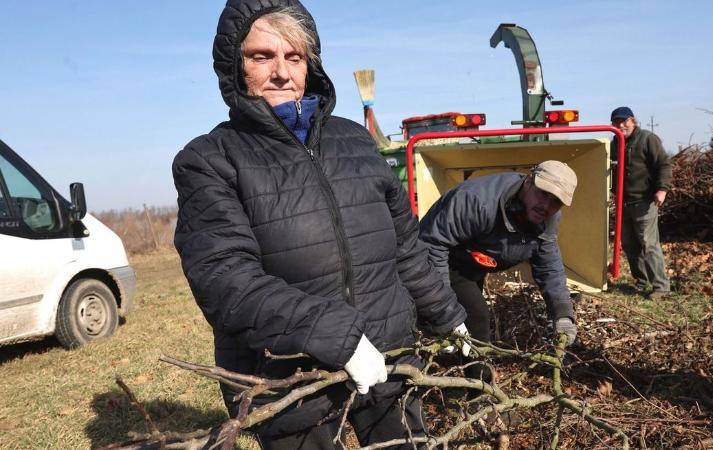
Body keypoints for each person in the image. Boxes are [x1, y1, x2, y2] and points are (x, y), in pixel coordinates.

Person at [172, 1, 467, 448]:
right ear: (235, 67)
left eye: (294, 57)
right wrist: (338, 338)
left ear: (311, 66)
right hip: (283, 374)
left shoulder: (355, 141)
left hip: (385, 352)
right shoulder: (210, 159)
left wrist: (448, 317)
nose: (281, 72)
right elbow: (225, 280)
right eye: (261, 56)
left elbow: (405, 248)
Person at [418, 161, 579, 382]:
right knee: (475, 316)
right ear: (529, 181)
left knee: (464, 321)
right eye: (544, 194)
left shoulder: (547, 218)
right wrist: (442, 310)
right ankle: (478, 387)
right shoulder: (477, 202)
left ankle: (454, 363)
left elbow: (548, 264)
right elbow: (432, 244)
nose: (546, 205)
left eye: (556, 202)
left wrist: (562, 313)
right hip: (442, 257)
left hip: (475, 263)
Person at [610, 106, 672, 299]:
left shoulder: (647, 139)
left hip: (644, 201)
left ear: (633, 121)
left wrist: (662, 189)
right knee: (629, 244)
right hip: (623, 203)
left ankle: (661, 287)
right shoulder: (614, 143)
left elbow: (663, 163)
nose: (621, 125)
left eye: (624, 121)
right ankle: (642, 280)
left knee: (649, 243)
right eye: (617, 122)